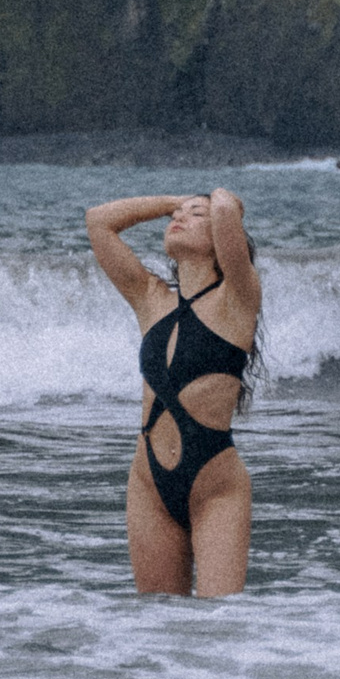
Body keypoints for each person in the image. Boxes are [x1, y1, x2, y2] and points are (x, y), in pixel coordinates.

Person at [86, 186, 260, 596]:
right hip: (148, 485)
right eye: (176, 216)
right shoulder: (151, 299)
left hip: (215, 488)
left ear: (221, 239)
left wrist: (216, 204)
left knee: (219, 623)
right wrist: (173, 203)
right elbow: (99, 221)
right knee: (160, 627)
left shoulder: (239, 296)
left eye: (195, 215)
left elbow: (223, 203)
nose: (179, 218)